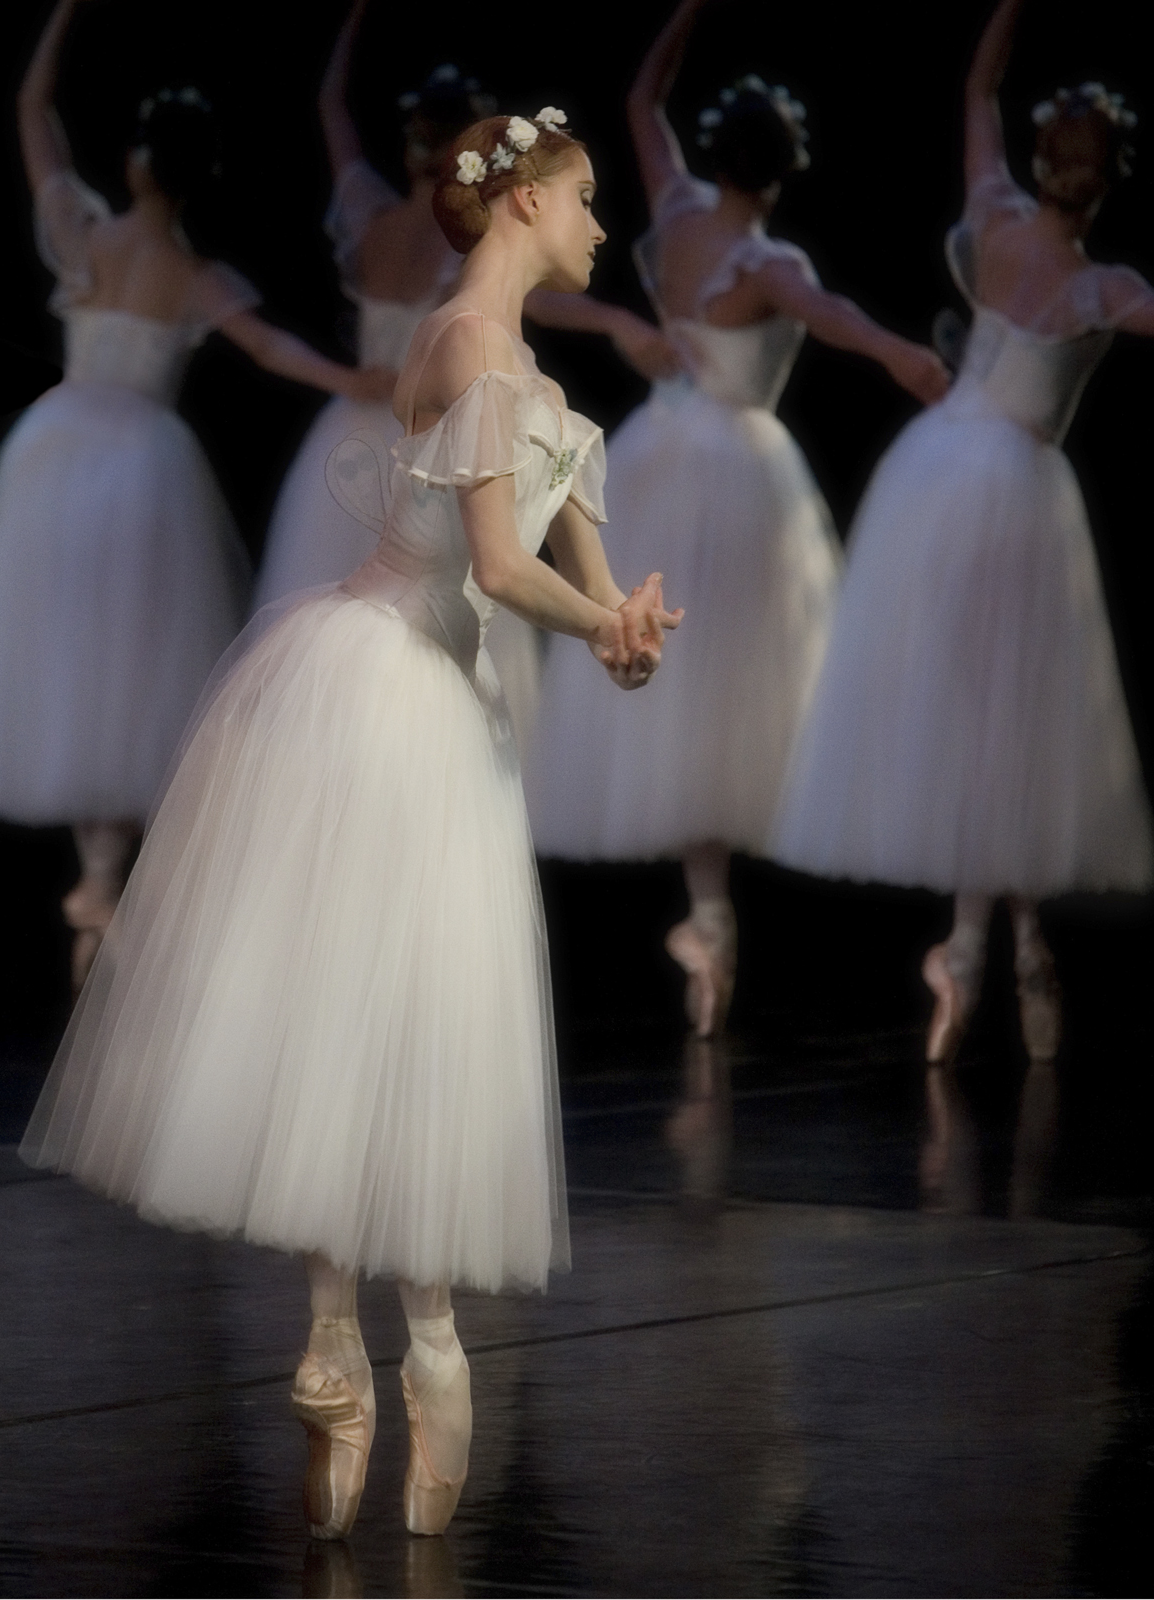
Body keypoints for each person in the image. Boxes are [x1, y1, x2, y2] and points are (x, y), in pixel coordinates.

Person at [20, 107, 681, 1540]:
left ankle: (393, 1343)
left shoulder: (537, 388)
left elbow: (577, 577)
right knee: (351, 1003)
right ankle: (356, 1337)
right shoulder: (465, 347)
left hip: (443, 705)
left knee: (412, 1014)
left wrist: (623, 631)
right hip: (381, 688)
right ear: (515, 207)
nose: (599, 226)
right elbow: (502, 569)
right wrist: (590, 614)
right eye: (581, 198)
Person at [525, 0, 948, 1037]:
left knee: (688, 691)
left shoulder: (671, 214)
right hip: (740, 474)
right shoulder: (769, 267)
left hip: (660, 455)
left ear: (721, 157)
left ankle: (708, 917)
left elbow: (636, 99)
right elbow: (846, 326)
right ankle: (712, 923)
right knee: (737, 681)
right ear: (784, 171)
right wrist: (907, 358)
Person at [0, 0, 382, 987]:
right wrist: (349, 380)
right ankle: (104, 882)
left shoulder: (87, 235)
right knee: (127, 661)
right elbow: (272, 347)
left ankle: (97, 880)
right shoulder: (193, 273)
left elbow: (32, 110)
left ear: (143, 163)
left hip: (57, 454)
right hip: (141, 465)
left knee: (76, 658)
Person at [772, 0, 1154, 1067]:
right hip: (1021, 493)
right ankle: (1004, 943)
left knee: (981, 717)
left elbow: (977, 88)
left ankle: (984, 942)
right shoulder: (1103, 287)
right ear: (1111, 177)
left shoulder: (991, 218)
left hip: (936, 477)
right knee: (1009, 715)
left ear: (1045, 161)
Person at [253, 2, 555, 762]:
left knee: (342, 612)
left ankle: (334, 765)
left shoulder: (369, 216)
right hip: (435, 437)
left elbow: (330, 107)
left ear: (414, 136)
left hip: (354, 426)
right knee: (434, 607)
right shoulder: (476, 241)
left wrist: (354, 20)